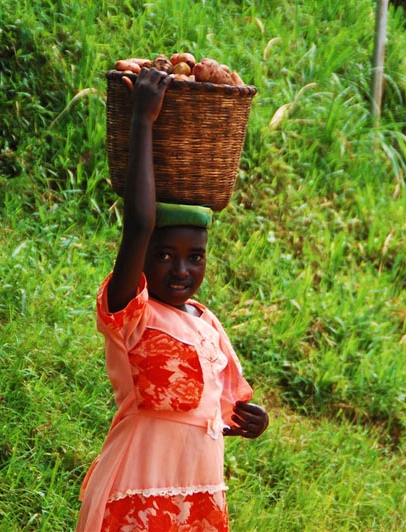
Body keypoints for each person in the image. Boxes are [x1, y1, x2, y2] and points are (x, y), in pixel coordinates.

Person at [76, 67, 269, 532]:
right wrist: (142, 121)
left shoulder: (205, 323)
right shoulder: (132, 312)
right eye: (164, 256)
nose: (181, 270)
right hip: (137, 491)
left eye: (194, 257)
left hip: (198, 493)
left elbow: (204, 415)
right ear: (143, 259)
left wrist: (246, 422)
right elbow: (139, 223)